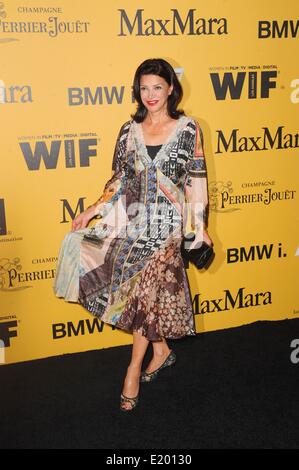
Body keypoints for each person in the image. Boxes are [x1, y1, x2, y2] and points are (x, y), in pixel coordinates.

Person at [53, 58, 213, 412]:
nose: (150, 95)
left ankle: (132, 370)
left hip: (168, 223)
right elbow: (119, 179)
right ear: (137, 91)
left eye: (157, 87)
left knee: (145, 280)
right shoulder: (129, 129)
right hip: (132, 216)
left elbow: (196, 177)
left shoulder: (188, 129)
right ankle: (161, 349)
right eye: (144, 88)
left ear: (171, 88)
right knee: (90, 250)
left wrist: (198, 226)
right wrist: (93, 210)